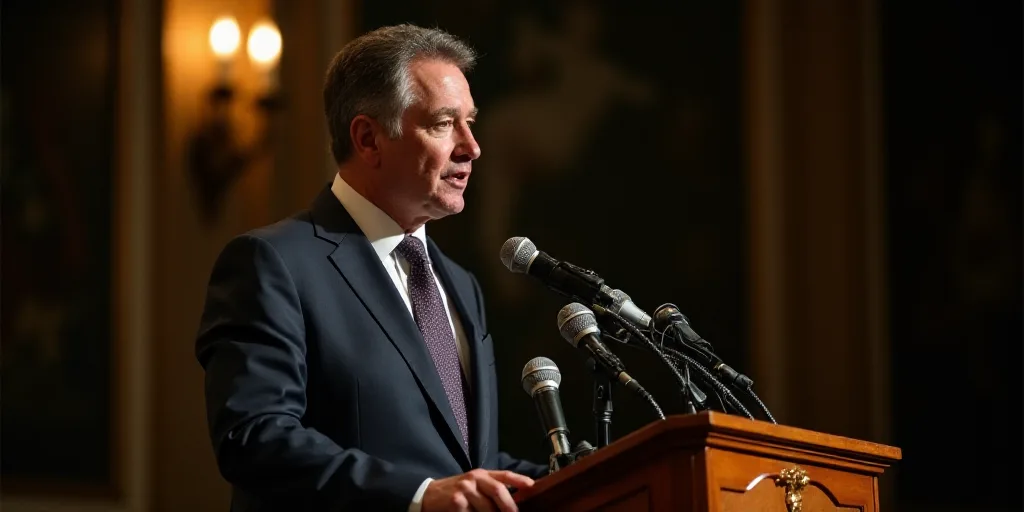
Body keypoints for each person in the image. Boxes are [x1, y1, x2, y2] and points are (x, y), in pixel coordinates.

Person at [195, 24, 547, 512]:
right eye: (444, 124)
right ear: (368, 138)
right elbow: (254, 436)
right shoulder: (274, 263)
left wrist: (583, 475)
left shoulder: (462, 285)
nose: (472, 146)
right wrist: (418, 497)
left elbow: (463, 460)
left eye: (471, 122)